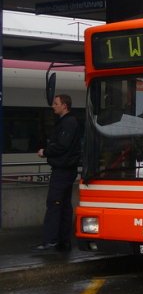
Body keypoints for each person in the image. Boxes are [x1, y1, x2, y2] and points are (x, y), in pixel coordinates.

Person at [34, 94, 82, 251]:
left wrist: (45, 151)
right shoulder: (69, 122)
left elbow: (61, 146)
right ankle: (63, 239)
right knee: (64, 205)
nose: (53, 106)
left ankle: (50, 240)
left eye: (56, 103)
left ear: (64, 106)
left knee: (54, 204)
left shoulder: (68, 123)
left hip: (62, 170)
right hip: (68, 169)